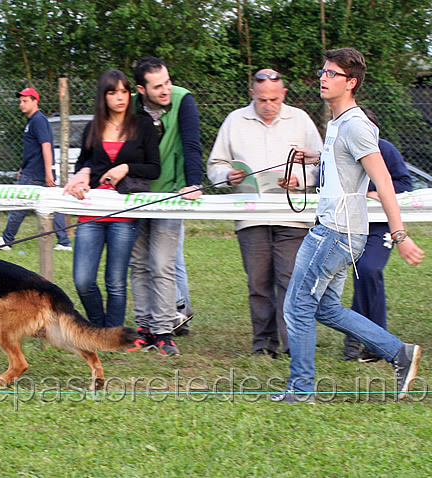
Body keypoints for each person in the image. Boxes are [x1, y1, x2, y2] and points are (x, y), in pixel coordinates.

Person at [271, 48, 424, 403]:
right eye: (323, 71)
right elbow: (344, 170)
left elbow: (383, 180)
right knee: (324, 308)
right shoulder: (338, 124)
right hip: (337, 230)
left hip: (335, 233)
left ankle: (301, 389)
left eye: (331, 74)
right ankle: (399, 352)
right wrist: (316, 157)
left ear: (350, 83)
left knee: (296, 306)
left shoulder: (355, 125)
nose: (323, 78)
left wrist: (399, 235)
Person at [207, 69, 323, 358]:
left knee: (290, 281)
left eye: (274, 98)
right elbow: (214, 166)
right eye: (262, 100)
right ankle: (263, 345)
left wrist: (299, 180)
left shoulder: (301, 119)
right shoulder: (234, 120)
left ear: (284, 94)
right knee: (258, 283)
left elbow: (323, 165)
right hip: (251, 217)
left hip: (292, 216)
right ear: (252, 95)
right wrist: (227, 175)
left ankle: (293, 344)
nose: (268, 105)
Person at [64, 70, 160, 327]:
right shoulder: (92, 127)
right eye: (112, 92)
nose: (120, 97)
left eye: (124, 91)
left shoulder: (143, 125)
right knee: (83, 280)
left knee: (115, 281)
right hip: (92, 210)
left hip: (125, 212)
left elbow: (154, 168)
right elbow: (84, 162)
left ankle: (113, 333)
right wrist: (82, 175)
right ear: (103, 96)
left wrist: (126, 167)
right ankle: (97, 328)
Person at [126, 57, 204, 355]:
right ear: (140, 89)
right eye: (158, 86)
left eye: (168, 82)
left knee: (162, 263)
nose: (166, 89)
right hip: (134, 195)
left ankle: (164, 331)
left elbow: (191, 144)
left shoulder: (183, 100)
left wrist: (194, 182)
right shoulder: (129, 105)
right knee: (139, 264)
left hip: (171, 195)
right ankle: (143, 328)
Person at [341, 106, 412, 362]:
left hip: (380, 224)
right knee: (358, 275)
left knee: (369, 270)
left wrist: (376, 191)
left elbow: (404, 184)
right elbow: (322, 182)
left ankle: (371, 341)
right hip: (347, 222)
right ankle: (363, 339)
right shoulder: (341, 149)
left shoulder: (386, 150)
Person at [0, 87, 72, 251]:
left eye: (25, 101)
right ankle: (64, 242)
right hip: (31, 170)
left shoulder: (38, 120)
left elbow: (46, 145)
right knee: (53, 205)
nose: (21, 104)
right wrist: (22, 167)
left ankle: (6, 240)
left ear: (35, 101)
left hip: (35, 173)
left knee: (20, 204)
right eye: (20, 101)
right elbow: (32, 150)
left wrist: (48, 171)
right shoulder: (33, 121)